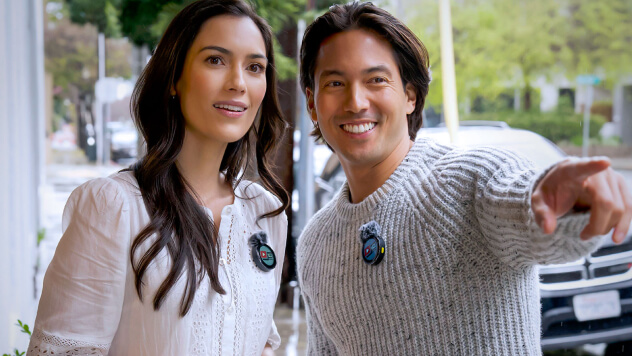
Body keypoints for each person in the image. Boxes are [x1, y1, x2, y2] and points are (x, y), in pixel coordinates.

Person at [296, 2, 632, 355]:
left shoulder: (470, 181)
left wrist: (567, 201)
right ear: (312, 104)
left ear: (410, 95)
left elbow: (531, 212)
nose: (356, 101)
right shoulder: (315, 244)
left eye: (376, 79)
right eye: (335, 83)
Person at [28, 1, 288, 355]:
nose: (238, 83)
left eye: (255, 67)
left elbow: (258, 342)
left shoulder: (265, 212)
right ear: (173, 79)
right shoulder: (113, 206)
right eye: (215, 60)